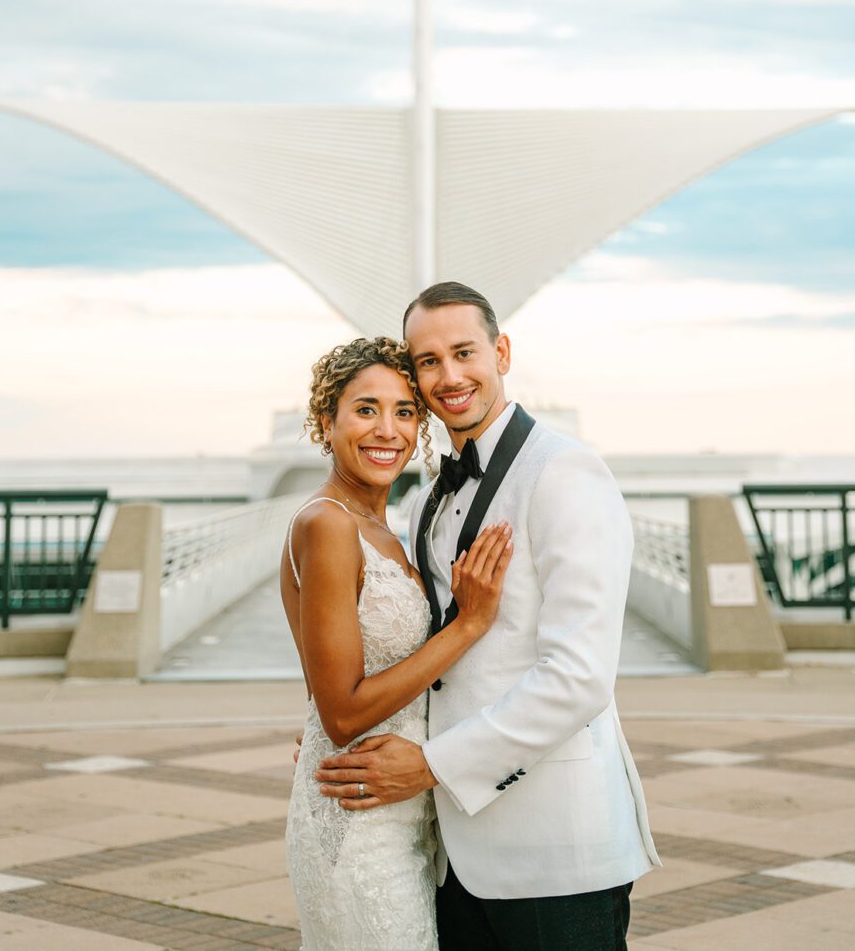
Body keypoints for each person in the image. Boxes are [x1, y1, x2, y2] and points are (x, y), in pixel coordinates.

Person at [315, 283, 660, 951]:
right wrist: (349, 734)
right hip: (455, 855)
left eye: (464, 352)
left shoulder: (565, 472)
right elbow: (435, 654)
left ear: (500, 352)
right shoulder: (422, 503)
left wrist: (432, 765)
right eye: (428, 361)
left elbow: (580, 677)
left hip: (554, 847)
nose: (449, 376)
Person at [281, 335, 514, 950]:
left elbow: (325, 682)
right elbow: (340, 712)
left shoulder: (384, 529)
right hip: (360, 822)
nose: (387, 430)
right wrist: (468, 624)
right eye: (365, 409)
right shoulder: (325, 524)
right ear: (325, 421)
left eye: (405, 412)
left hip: (402, 806)